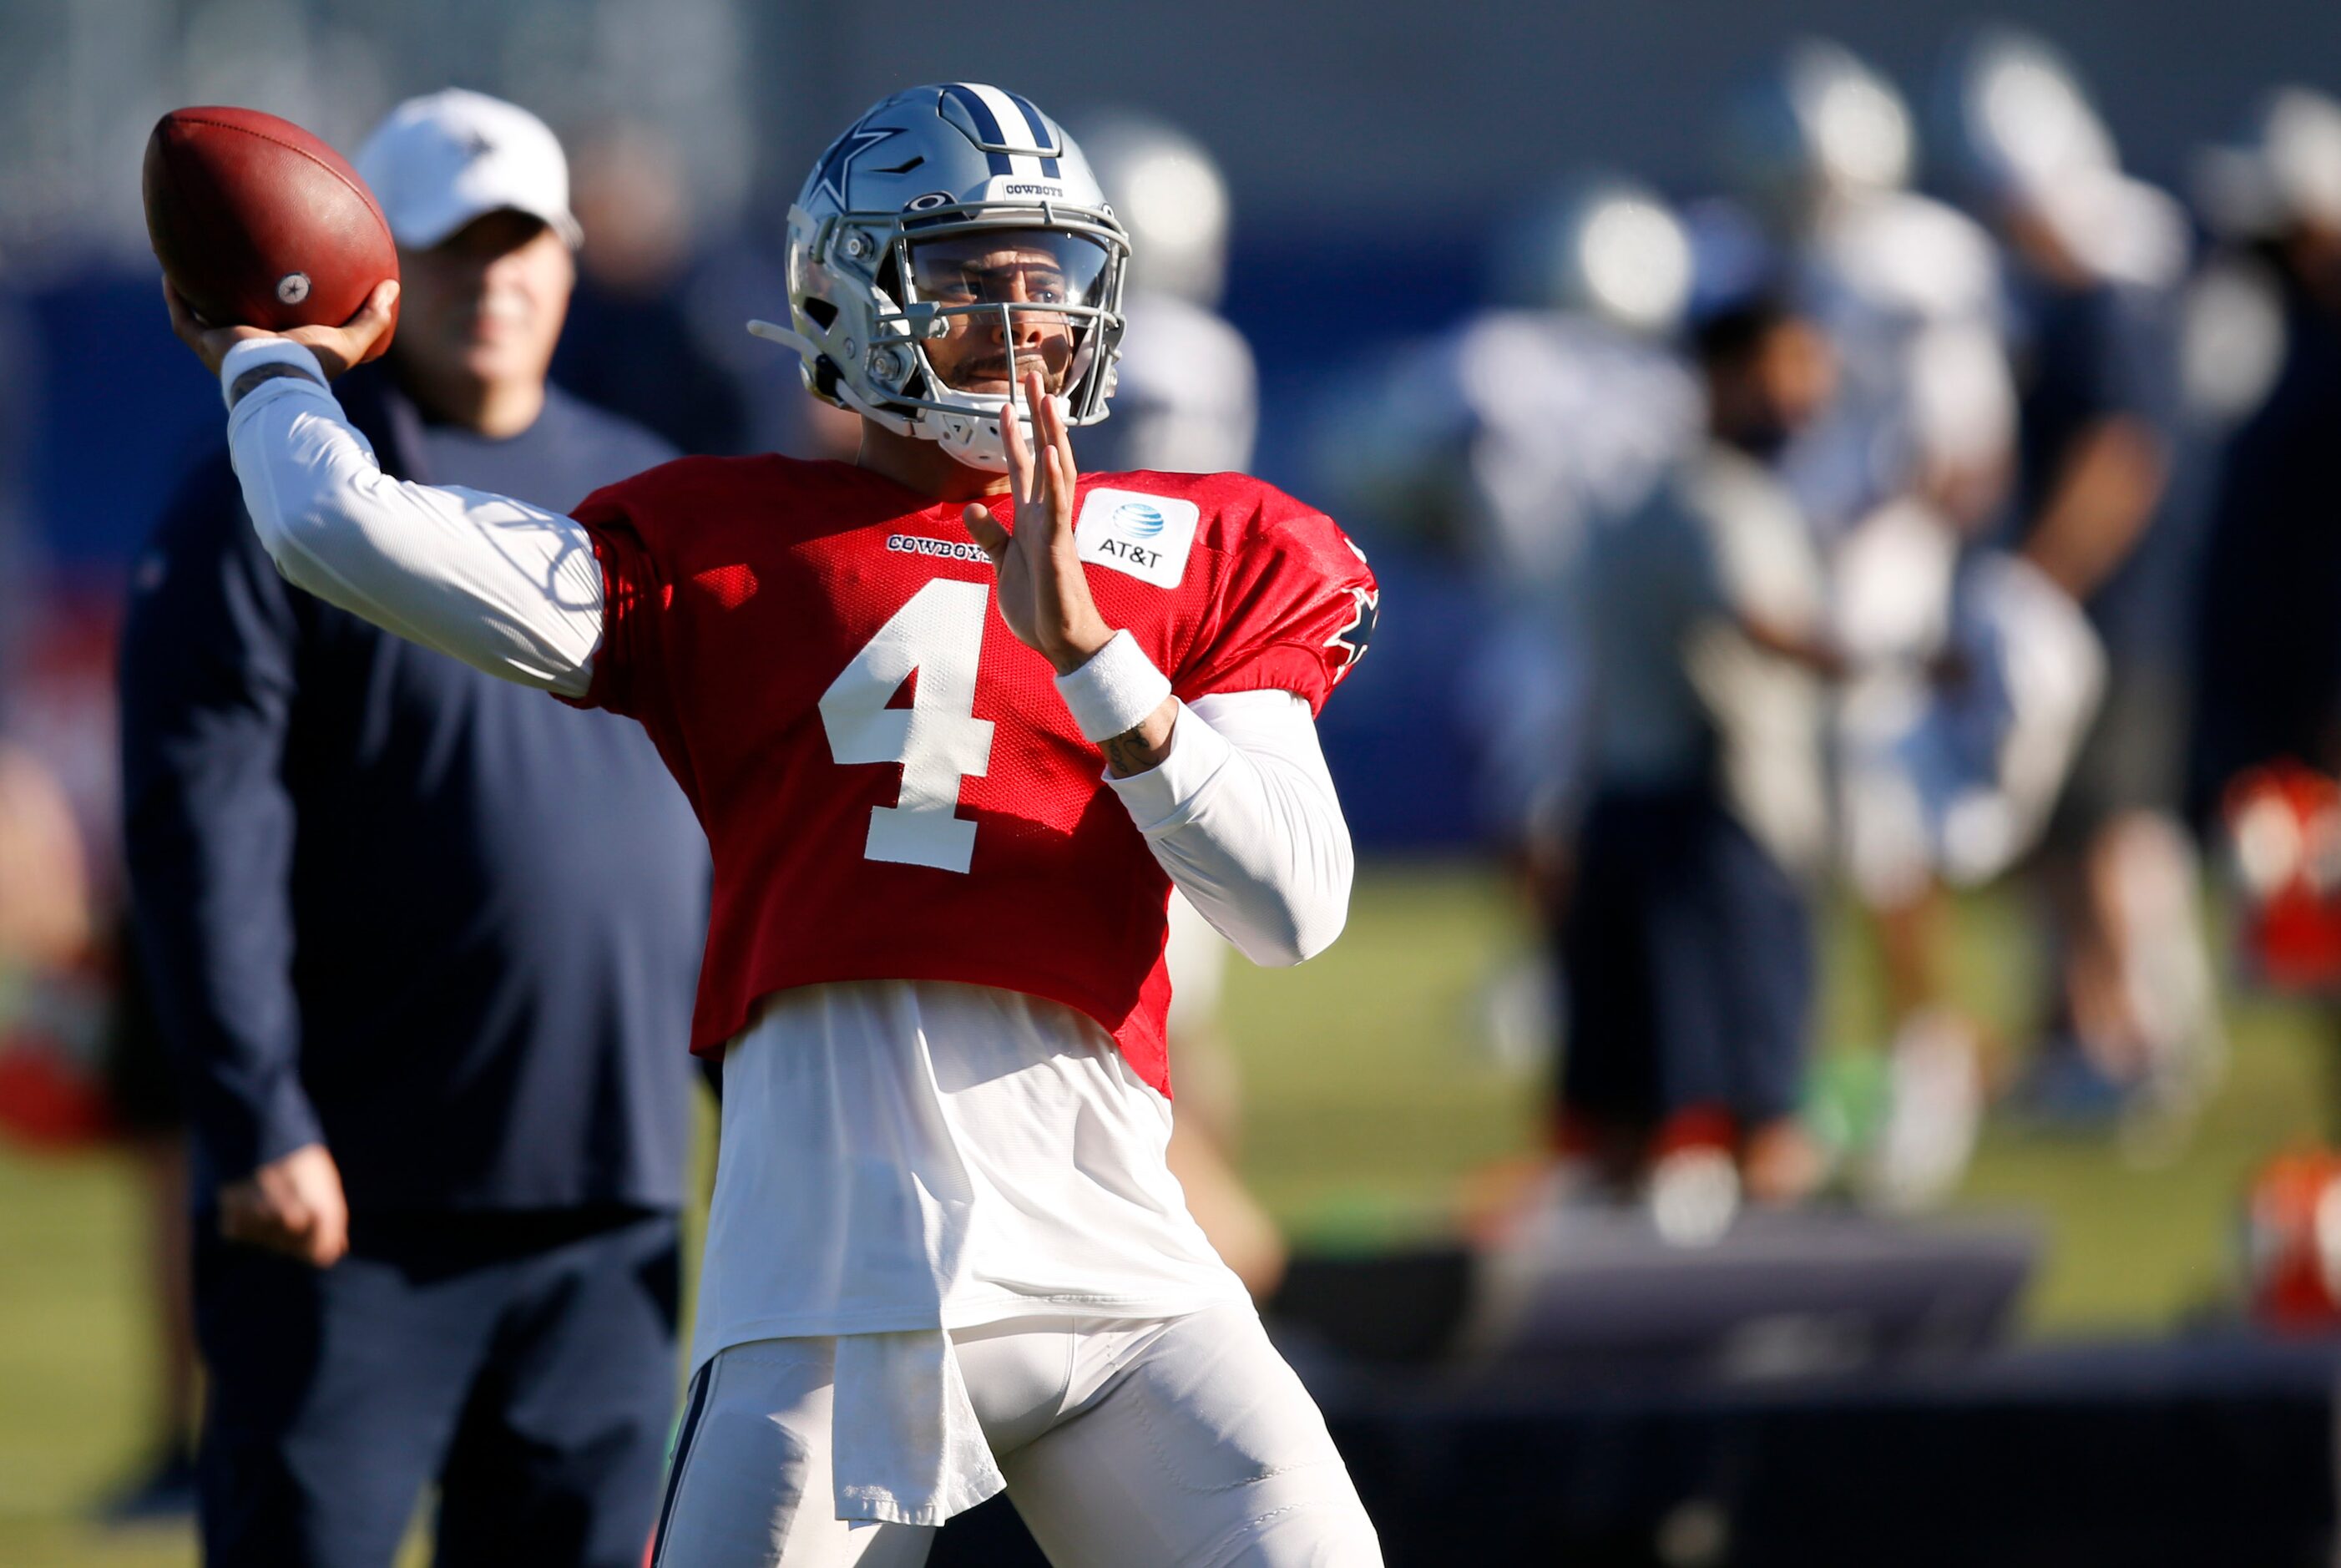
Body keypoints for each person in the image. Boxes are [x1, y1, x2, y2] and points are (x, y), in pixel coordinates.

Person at [165, 81, 1383, 1567]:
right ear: (849, 301)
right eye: (963, 278)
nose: (1021, 320)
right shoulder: (722, 547)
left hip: (1126, 1284)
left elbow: (1291, 902)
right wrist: (267, 364)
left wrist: (1088, 650)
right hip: (828, 1302)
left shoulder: (1209, 545)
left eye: (1044, 276)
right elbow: (334, 523)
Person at [124, 89, 709, 1567]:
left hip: (610, 1192)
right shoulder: (267, 498)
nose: (494, 281)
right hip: (346, 1204)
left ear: (571, 265)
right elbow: (202, 828)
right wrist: (255, 1117)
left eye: (523, 247)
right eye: (452, 251)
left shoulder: (655, 494)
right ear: (371, 280)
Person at [1564, 287, 1842, 1234]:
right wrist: (1902, 662)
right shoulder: (1722, 498)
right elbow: (1759, 619)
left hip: (1624, 801)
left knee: (1626, 1108)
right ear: (1727, 377)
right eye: (1787, 369)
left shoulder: (1642, 496)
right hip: (1712, 817)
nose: (1807, 393)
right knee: (1758, 1099)